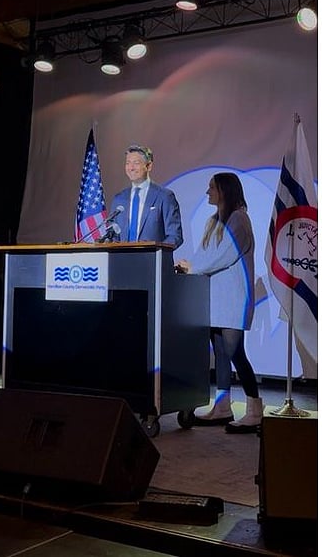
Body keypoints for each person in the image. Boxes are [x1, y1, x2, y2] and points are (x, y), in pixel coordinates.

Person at [175, 172, 262, 432]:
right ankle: (222, 407)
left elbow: (225, 255)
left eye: (212, 187)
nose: (207, 192)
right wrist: (190, 265)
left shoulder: (239, 219)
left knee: (235, 352)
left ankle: (255, 410)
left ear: (225, 190)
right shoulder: (214, 221)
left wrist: (192, 268)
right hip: (215, 298)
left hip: (234, 299)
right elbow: (205, 255)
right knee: (221, 354)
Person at [110, 144, 183, 249]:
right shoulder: (119, 199)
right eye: (128, 163)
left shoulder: (165, 196)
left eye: (136, 163)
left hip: (152, 258)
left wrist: (156, 253)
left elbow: (175, 236)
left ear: (149, 166)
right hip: (122, 257)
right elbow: (113, 237)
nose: (131, 168)